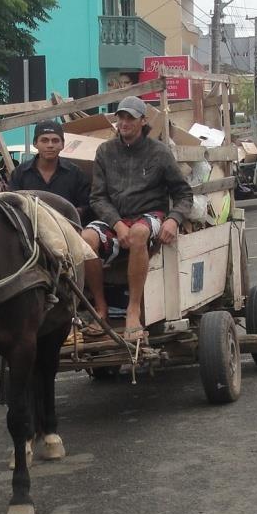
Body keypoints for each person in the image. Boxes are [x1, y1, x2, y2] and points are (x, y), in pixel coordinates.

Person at [81, 96, 193, 341]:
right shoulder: (105, 151)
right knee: (85, 238)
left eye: (130, 117)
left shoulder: (159, 152)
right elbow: (97, 198)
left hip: (149, 215)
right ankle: (101, 308)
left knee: (139, 233)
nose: (124, 122)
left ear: (143, 121)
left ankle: (133, 310)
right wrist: (117, 224)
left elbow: (183, 193)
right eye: (121, 117)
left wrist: (173, 219)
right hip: (116, 218)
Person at [7, 120, 91, 225]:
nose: (50, 145)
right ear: (35, 143)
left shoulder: (76, 174)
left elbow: (87, 207)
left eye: (55, 140)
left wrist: (71, 214)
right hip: (29, 233)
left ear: (63, 144)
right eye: (44, 140)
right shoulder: (20, 173)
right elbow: (10, 205)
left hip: (67, 233)